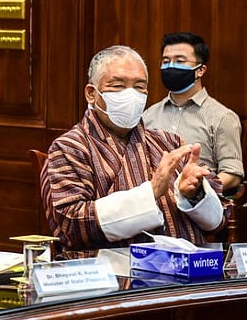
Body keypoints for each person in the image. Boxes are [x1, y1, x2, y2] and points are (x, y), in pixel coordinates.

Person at [41, 45, 226, 260]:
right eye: (118, 86)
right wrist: (151, 193)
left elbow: (218, 220)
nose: (131, 95)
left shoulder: (168, 142)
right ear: (91, 94)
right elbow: (72, 224)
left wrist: (194, 195)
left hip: (190, 270)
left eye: (139, 87)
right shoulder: (69, 148)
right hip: (115, 277)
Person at [142, 32, 244, 192]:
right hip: (153, 208)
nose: (170, 66)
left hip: (198, 208)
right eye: (166, 61)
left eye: (180, 61)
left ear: (200, 70)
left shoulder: (223, 117)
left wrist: (197, 188)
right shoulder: (148, 116)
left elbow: (232, 173)